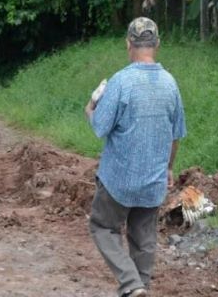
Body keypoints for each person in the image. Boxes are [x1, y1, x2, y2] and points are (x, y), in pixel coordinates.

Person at [84, 17, 187, 297]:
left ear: (129, 44)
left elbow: (100, 127)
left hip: (119, 179)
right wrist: (168, 168)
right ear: (157, 45)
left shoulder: (121, 82)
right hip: (153, 179)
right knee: (144, 240)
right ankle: (140, 288)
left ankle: (131, 285)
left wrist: (90, 107)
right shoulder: (170, 84)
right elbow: (176, 134)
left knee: (103, 226)